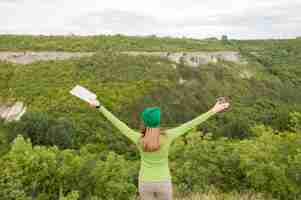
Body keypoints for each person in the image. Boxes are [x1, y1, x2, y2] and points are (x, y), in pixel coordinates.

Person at [89, 97, 230, 200]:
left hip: (145, 182)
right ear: (158, 121)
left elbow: (117, 123)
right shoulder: (168, 136)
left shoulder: (138, 139)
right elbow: (191, 124)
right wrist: (213, 110)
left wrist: (99, 106)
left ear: (144, 122)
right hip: (163, 182)